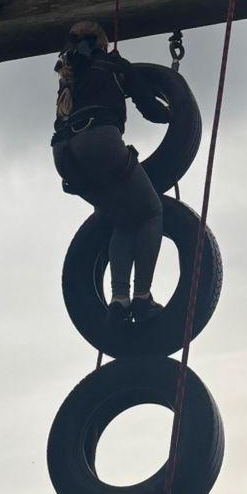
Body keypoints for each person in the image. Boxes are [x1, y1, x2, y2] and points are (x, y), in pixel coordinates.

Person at [51, 20, 165, 328]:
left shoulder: (67, 73)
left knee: (123, 220)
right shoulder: (113, 64)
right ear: (103, 43)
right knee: (151, 212)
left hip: (63, 154)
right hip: (99, 141)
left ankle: (119, 301)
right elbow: (150, 107)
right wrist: (177, 114)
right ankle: (141, 297)